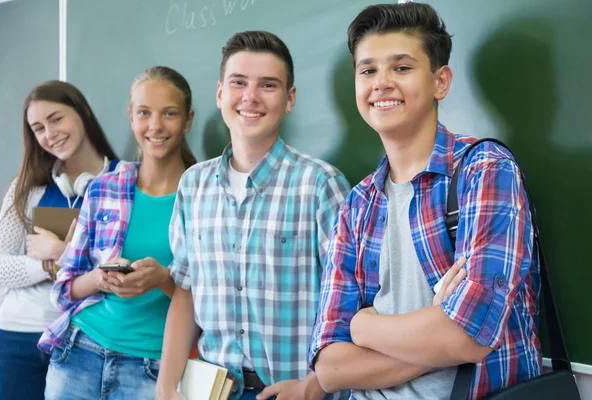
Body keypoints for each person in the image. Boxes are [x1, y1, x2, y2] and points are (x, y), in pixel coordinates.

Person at [308, 3, 541, 399]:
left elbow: (470, 336)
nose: (381, 83)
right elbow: (330, 367)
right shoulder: (357, 206)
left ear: (440, 81)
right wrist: (438, 331)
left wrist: (365, 328)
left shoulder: (483, 171)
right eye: (368, 71)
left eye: (401, 68)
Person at [156, 31, 351, 400]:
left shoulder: (320, 185)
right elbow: (186, 290)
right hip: (209, 391)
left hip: (296, 392)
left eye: (268, 85)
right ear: (219, 93)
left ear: (289, 99)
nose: (250, 97)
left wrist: (315, 386)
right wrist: (166, 388)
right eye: (239, 83)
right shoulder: (193, 185)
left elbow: (351, 302)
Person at [39, 66, 197, 400]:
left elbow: (214, 304)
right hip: (79, 354)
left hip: (154, 370)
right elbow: (63, 288)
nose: (155, 126)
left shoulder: (206, 198)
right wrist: (100, 278)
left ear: (188, 120)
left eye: (169, 113)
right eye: (144, 113)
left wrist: (163, 280)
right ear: (131, 116)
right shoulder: (103, 189)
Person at [0, 80, 119, 400]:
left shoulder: (123, 182)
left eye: (57, 118)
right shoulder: (27, 187)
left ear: (84, 112)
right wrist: (51, 265)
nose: (49, 133)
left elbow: (121, 265)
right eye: (38, 127)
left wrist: (63, 252)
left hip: (87, 343)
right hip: (18, 340)